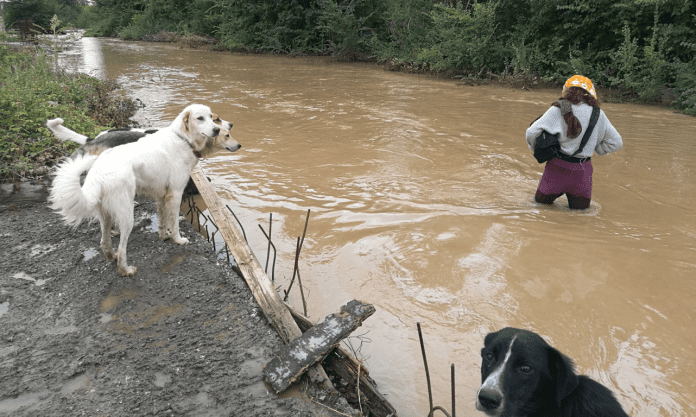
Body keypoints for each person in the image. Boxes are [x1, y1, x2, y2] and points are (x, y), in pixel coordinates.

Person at [526, 75, 623, 209]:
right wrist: (598, 149)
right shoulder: (598, 114)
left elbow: (531, 132)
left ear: (566, 90)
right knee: (581, 217)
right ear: (591, 93)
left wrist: (534, 148)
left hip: (556, 169)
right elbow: (616, 142)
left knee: (539, 208)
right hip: (582, 173)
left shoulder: (557, 109)